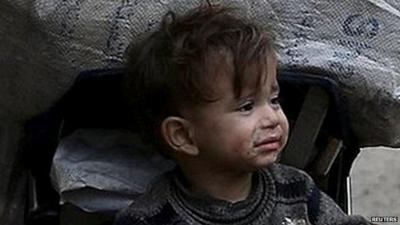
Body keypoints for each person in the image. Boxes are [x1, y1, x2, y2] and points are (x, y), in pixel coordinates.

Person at [115, 3, 372, 225]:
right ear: (183, 135)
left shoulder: (296, 190)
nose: (272, 118)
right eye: (246, 107)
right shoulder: (151, 218)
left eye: (273, 100)